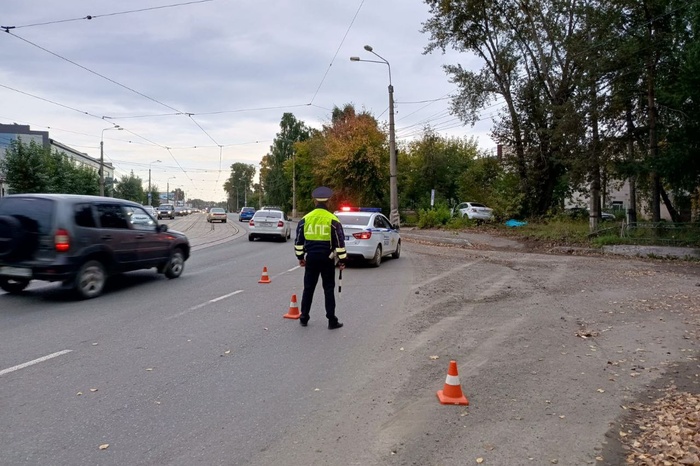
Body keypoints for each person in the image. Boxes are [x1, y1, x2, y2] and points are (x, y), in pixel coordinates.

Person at [294, 186, 347, 329]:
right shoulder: (333, 220)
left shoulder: (305, 219)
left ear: (314, 202)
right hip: (327, 259)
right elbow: (339, 243)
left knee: (308, 288)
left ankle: (304, 317)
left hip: (311, 258)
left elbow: (298, 241)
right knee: (328, 289)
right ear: (328, 202)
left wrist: (300, 257)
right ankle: (331, 320)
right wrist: (342, 260)